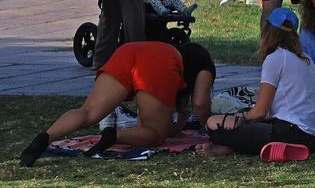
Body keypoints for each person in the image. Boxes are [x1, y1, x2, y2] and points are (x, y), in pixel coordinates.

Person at [20, 41, 215, 167]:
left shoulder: (179, 56)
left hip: (128, 51)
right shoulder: (205, 62)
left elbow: (180, 114)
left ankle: (45, 138)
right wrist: (211, 130)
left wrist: (177, 126)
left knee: (88, 112)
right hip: (158, 63)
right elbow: (200, 103)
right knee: (154, 135)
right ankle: (115, 135)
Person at [202, 7, 315, 157]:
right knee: (240, 121)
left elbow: (260, 112)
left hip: (292, 133)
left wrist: (241, 118)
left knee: (213, 123)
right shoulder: (306, 59)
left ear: (267, 30)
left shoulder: (276, 57)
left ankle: (238, 146)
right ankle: (236, 148)